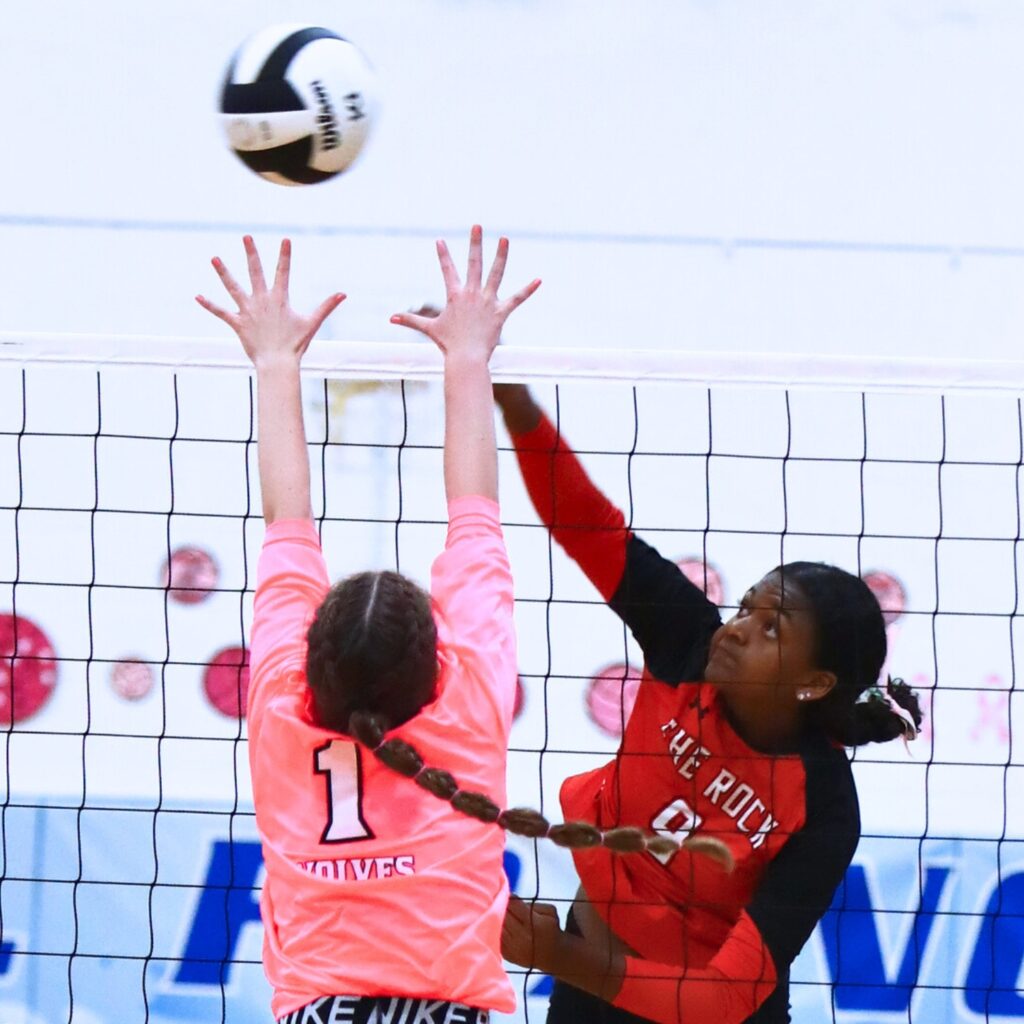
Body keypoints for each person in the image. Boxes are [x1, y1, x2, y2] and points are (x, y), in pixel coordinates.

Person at [195, 228, 540, 1024]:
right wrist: (468, 360)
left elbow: (288, 524)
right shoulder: (471, 701)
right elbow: (476, 518)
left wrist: (275, 364)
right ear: (440, 666)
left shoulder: (283, 712)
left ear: (307, 660)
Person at [495, 384, 923, 1024]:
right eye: (747, 606)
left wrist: (556, 955)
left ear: (815, 683)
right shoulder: (687, 641)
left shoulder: (825, 807)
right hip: (588, 985)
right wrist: (514, 402)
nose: (739, 627)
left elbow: (726, 997)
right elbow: (585, 522)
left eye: (772, 628)